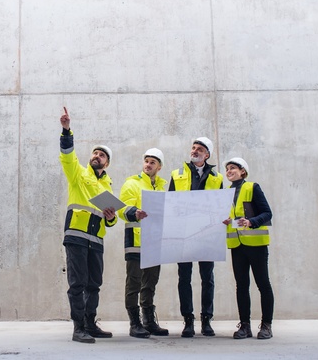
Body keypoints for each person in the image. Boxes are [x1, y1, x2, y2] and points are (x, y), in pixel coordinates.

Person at [59, 107, 117, 344]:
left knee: (94, 284)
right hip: (77, 236)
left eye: (102, 155)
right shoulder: (78, 174)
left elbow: (110, 220)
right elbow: (67, 156)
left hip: (97, 240)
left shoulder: (108, 186)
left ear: (107, 163)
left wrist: (111, 216)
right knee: (78, 283)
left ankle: (91, 323)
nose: (97, 156)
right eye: (94, 153)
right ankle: (78, 327)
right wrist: (66, 132)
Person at [169, 137, 223, 337]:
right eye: (193, 148)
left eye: (199, 149)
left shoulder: (217, 177)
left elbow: (221, 204)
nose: (194, 151)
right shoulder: (177, 173)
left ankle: (207, 320)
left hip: (207, 233)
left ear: (207, 155)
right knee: (184, 277)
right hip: (183, 233)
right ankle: (188, 321)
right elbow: (170, 203)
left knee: (207, 278)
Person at [222, 157, 274, 340]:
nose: (229, 171)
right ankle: (245, 326)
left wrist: (251, 222)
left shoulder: (252, 187)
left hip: (256, 245)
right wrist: (227, 221)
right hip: (237, 245)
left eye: (233, 168)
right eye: (227, 169)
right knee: (242, 286)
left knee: (263, 284)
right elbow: (233, 217)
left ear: (243, 171)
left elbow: (267, 213)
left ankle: (266, 325)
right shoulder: (226, 193)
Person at [119, 148, 168, 338]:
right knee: (134, 283)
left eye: (152, 162)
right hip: (136, 240)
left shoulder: (162, 187)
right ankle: (135, 323)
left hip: (155, 241)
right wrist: (134, 212)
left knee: (150, 283)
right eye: (146, 161)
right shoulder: (132, 183)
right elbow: (122, 208)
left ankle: (148, 321)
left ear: (159, 167)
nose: (148, 164)